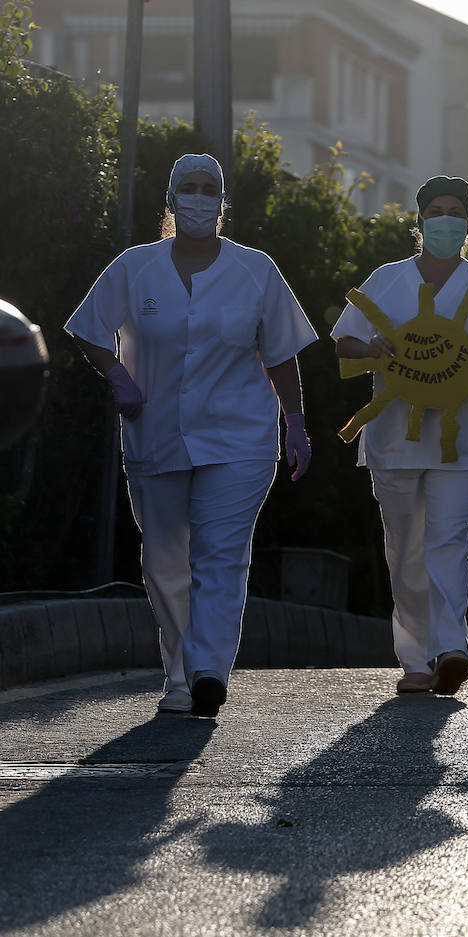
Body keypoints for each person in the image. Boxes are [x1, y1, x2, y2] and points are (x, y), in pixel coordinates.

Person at [65, 153, 317, 718]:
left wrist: (295, 422)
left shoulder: (256, 270)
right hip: (154, 434)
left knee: (220, 555)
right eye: (189, 188)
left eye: (210, 189)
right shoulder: (135, 266)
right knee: (162, 560)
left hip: (240, 440)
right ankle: (178, 673)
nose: (199, 198)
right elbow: (88, 329)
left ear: (223, 203)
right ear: (172, 199)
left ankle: (208, 672)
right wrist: (116, 376)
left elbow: (281, 353)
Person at [332, 175, 468, 697]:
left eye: (456, 211)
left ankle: (452, 649)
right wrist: (373, 346)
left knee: (448, 540)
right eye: (436, 211)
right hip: (394, 436)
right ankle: (415, 660)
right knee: (405, 549)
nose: (446, 220)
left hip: (462, 438)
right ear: (419, 221)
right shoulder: (386, 279)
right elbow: (346, 341)